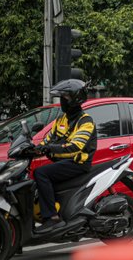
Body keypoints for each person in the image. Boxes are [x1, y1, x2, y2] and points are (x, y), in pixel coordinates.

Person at [33, 79, 97, 233]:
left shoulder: (85, 122)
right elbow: (48, 139)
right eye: (62, 97)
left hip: (77, 164)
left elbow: (75, 147)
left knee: (40, 173)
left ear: (76, 99)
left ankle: (52, 218)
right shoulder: (61, 120)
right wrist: (34, 148)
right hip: (64, 163)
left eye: (66, 97)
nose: (62, 100)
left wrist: (49, 148)